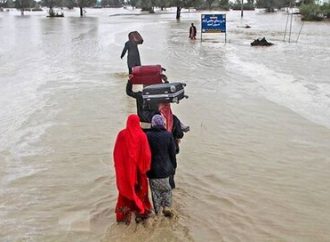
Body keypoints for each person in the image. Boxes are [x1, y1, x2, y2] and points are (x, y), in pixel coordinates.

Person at [113, 114, 152, 224]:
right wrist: (144, 168)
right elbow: (147, 155)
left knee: (125, 192)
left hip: (126, 172)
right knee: (141, 191)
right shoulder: (142, 136)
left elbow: (117, 153)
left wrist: (121, 167)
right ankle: (141, 214)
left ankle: (124, 216)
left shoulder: (122, 135)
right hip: (139, 173)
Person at [146, 115, 177, 217]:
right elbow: (172, 153)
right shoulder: (168, 135)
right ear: (163, 123)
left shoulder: (147, 135)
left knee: (155, 193)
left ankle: (158, 212)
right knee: (167, 190)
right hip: (165, 170)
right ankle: (167, 208)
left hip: (152, 171)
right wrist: (173, 166)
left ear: (152, 123)